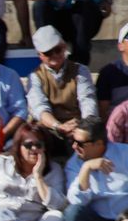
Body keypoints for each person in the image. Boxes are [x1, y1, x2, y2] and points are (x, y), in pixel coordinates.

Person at [63, 117, 128, 221]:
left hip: (125, 219)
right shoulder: (74, 163)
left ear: (98, 144)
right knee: (72, 213)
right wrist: (86, 169)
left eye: (80, 143)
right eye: (72, 141)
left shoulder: (125, 154)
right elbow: (76, 201)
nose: (74, 146)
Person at [26, 26, 95, 158]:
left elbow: (87, 102)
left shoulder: (81, 70)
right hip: (49, 129)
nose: (54, 55)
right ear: (39, 55)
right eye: (48, 53)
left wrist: (82, 126)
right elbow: (40, 109)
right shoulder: (35, 76)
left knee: (88, 136)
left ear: (64, 47)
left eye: (57, 50)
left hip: (77, 125)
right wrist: (58, 126)